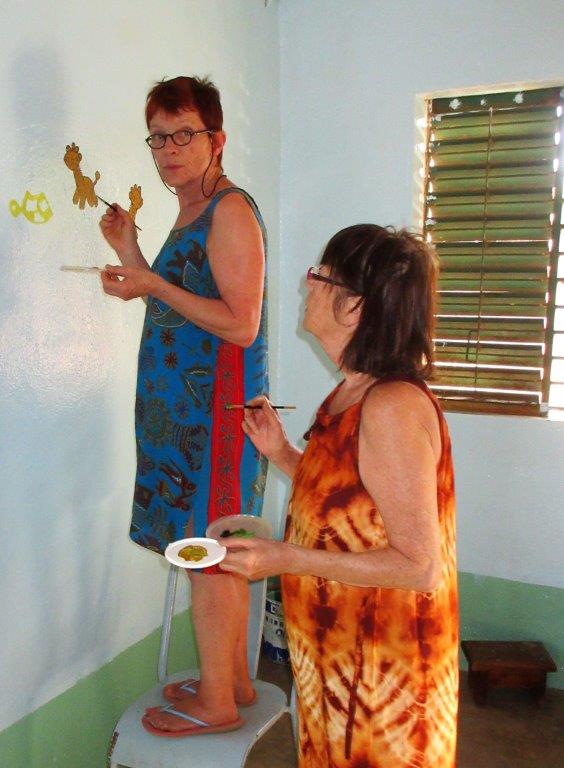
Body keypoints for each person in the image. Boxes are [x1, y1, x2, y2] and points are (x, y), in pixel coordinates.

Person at [221, 224, 458, 767]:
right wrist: (281, 451)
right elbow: (352, 503)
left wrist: (284, 558)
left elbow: (420, 566)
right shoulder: (353, 391)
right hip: (338, 665)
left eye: (320, 275)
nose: (308, 285)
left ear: (354, 306)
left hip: (382, 685)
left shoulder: (392, 407)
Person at [99, 76, 268, 737]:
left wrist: (150, 280)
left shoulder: (229, 211)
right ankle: (236, 684)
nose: (168, 150)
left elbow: (241, 325)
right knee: (217, 550)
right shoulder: (190, 208)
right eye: (158, 138)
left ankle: (217, 703)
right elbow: (180, 304)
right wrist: (131, 254)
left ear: (216, 140)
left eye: (183, 135)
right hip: (186, 419)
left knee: (210, 553)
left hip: (216, 420)